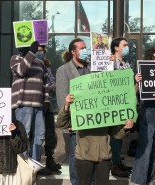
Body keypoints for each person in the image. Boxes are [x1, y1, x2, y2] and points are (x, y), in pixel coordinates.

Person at [57, 93, 134, 185]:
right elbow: (62, 123)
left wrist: (125, 128)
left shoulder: (107, 112)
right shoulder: (80, 111)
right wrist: (66, 106)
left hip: (103, 157)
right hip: (84, 156)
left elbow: (116, 134)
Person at [55, 38, 91, 185]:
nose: (85, 50)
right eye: (82, 48)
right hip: (74, 123)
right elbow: (62, 98)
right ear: (73, 52)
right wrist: (68, 121)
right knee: (74, 156)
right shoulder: (63, 70)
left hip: (92, 121)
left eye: (86, 47)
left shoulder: (91, 68)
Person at [129, 47, 155, 185]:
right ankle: (138, 180)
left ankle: (150, 180)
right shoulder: (142, 72)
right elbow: (132, 94)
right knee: (145, 149)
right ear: (150, 59)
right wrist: (137, 82)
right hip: (147, 111)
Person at [10, 41, 51, 166]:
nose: (38, 50)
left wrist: (46, 101)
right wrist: (31, 53)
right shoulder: (16, 59)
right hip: (23, 104)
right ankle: (23, 166)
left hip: (38, 105)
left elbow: (46, 84)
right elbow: (21, 71)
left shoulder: (40, 63)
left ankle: (34, 165)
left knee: (39, 135)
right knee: (24, 134)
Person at [109, 37, 134, 177]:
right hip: (115, 103)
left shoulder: (126, 63)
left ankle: (118, 160)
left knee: (121, 132)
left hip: (125, 102)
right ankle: (114, 163)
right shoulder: (113, 62)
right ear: (116, 47)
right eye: (124, 45)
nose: (127, 47)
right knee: (115, 134)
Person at [37, 45, 62, 173]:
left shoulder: (47, 65)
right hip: (35, 103)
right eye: (38, 50)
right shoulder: (29, 63)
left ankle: (49, 158)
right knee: (36, 134)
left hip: (46, 102)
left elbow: (52, 83)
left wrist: (46, 87)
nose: (40, 53)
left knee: (50, 132)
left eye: (42, 51)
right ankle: (34, 161)